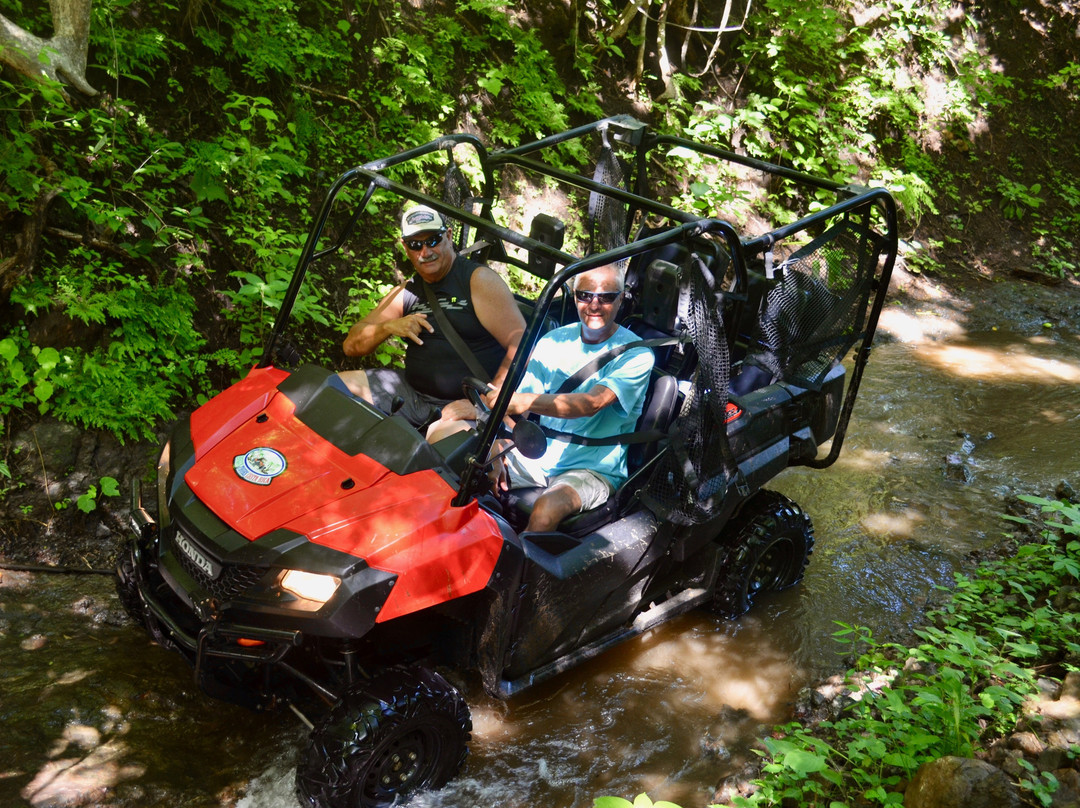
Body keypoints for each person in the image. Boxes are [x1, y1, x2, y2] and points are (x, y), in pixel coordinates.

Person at [484, 263, 654, 532]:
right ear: (574, 297)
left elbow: (590, 403)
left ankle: (518, 572)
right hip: (541, 454)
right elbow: (517, 411)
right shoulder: (554, 341)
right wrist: (495, 448)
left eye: (606, 297)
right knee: (472, 462)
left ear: (621, 299)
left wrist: (522, 401)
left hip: (592, 468)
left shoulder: (638, 355)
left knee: (545, 510)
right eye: (585, 295)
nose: (594, 304)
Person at [338, 205, 526, 434]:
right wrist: (388, 327)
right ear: (405, 247)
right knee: (335, 389)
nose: (425, 252)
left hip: (465, 403)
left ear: (448, 236)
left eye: (433, 240)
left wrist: (486, 402)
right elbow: (351, 345)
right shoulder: (408, 291)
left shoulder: (477, 280)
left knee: (439, 446)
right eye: (416, 245)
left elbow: (522, 345)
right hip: (412, 394)